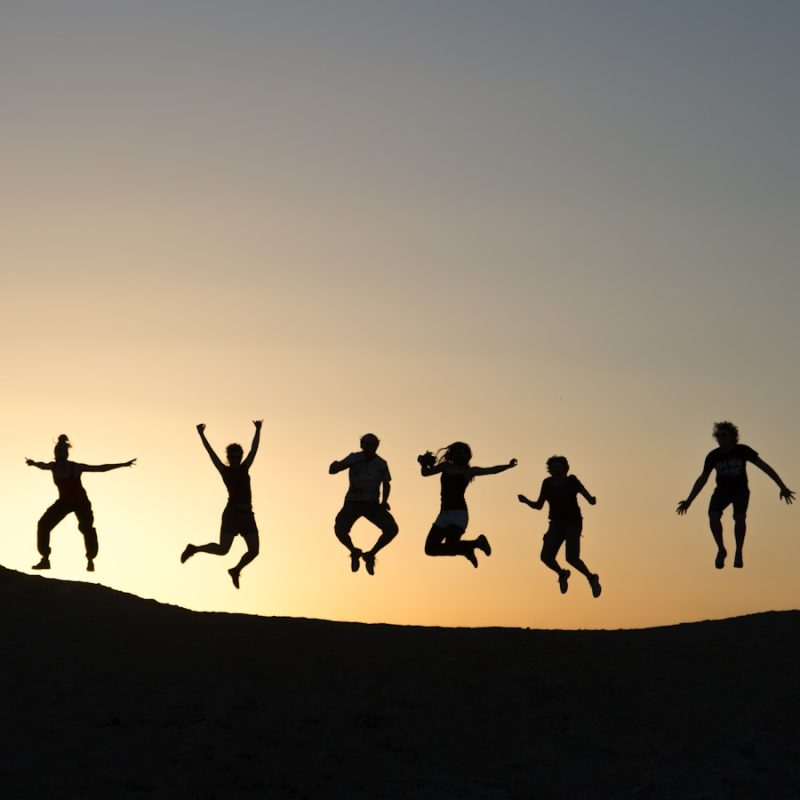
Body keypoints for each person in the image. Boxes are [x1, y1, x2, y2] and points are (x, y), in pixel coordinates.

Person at [677, 421, 794, 569]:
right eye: (718, 435)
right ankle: (721, 549)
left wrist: (782, 486)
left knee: (739, 517)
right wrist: (689, 501)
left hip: (740, 491)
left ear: (732, 437)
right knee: (713, 514)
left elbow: (765, 467)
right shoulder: (713, 456)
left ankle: (738, 551)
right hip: (722, 491)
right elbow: (703, 479)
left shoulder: (743, 451)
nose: (720, 438)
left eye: (724, 435)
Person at [26, 434, 136, 572]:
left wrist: (123, 464)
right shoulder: (52, 466)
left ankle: (90, 559)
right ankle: (45, 559)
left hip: (81, 503)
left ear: (65, 454)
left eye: (62, 452)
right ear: (56, 454)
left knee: (86, 528)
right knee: (43, 524)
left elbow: (100, 468)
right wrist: (32, 463)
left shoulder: (75, 467)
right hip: (64, 502)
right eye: (58, 452)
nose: (60, 455)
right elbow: (41, 465)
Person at [181, 421, 262, 588]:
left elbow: (254, 450)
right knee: (223, 549)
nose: (236, 459)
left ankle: (235, 570)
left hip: (247, 514)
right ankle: (194, 549)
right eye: (232, 457)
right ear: (228, 457)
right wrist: (201, 435)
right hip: (232, 514)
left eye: (238, 456)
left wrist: (258, 430)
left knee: (254, 551)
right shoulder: (225, 471)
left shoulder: (245, 467)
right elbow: (210, 453)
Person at [419, 442, 517, 568]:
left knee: (451, 546)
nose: (464, 454)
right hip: (443, 514)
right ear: (454, 453)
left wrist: (508, 466)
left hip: (459, 515)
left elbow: (491, 470)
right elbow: (425, 473)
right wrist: (422, 463)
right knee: (430, 549)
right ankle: (471, 546)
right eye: (462, 451)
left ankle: (474, 545)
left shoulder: (468, 471)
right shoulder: (445, 466)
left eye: (466, 452)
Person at [518, 456, 601, 598]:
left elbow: (586, 495)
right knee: (545, 557)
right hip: (555, 525)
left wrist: (591, 499)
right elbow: (539, 505)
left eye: (560, 466)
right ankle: (562, 574)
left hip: (573, 524)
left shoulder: (572, 481)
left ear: (566, 468)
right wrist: (525, 501)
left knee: (571, 558)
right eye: (554, 467)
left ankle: (591, 578)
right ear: (550, 470)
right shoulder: (547, 483)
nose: (557, 469)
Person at [329, 433, 398, 575]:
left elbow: (386, 484)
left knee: (392, 529)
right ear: (362, 445)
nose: (370, 447)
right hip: (353, 502)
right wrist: (335, 465)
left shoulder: (381, 463)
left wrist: (384, 501)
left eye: (373, 444)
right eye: (367, 444)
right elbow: (333, 470)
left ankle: (370, 555)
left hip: (372, 504)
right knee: (340, 529)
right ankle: (354, 552)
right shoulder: (354, 458)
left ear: (377, 446)